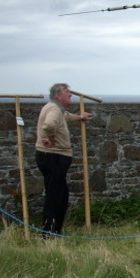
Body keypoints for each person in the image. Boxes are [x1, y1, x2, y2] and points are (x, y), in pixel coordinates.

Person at [35, 83, 92, 236]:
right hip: (54, 157)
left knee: (59, 194)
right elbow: (48, 126)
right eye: (67, 92)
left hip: (51, 157)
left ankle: (52, 231)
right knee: (56, 196)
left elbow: (65, 116)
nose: (70, 94)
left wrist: (80, 117)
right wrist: (47, 137)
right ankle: (49, 234)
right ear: (57, 96)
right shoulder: (54, 109)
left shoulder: (55, 108)